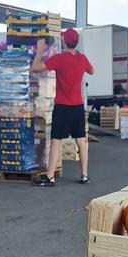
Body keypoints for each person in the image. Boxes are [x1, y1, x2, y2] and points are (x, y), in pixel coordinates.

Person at [31, 28, 94, 187]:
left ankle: (50, 177)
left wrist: (39, 51)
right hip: (77, 107)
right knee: (81, 141)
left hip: (62, 107)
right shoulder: (82, 59)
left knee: (56, 142)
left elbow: (36, 68)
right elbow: (91, 71)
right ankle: (84, 175)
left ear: (64, 42)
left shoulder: (59, 59)